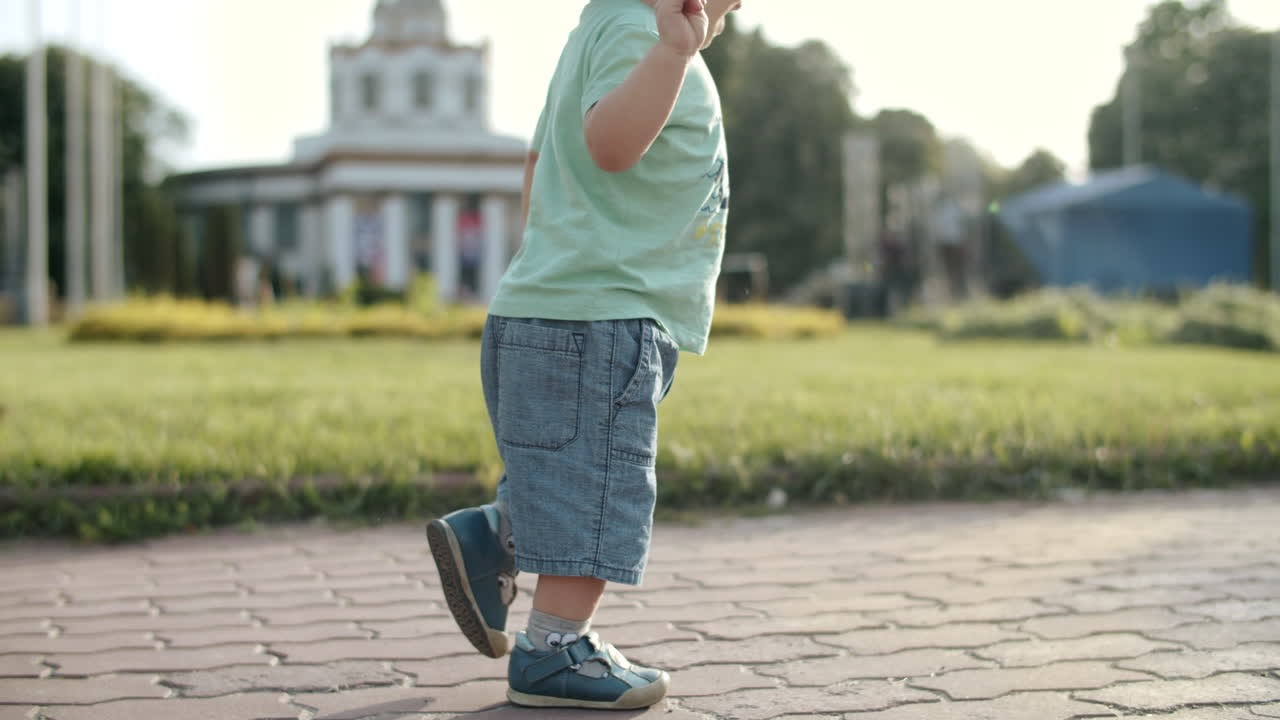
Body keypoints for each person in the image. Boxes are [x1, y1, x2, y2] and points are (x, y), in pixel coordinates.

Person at [427, 0, 739, 709]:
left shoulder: (596, 31)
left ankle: (496, 537)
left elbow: (542, 159)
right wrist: (671, 53)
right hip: (599, 316)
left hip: (555, 307)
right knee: (596, 488)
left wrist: (547, 264)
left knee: (562, 471)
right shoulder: (644, 32)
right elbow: (609, 145)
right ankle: (554, 648)